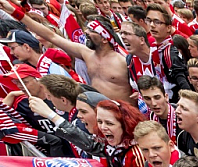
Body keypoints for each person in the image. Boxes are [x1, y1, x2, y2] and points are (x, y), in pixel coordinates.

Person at [0, 1, 132, 103]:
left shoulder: (123, 61)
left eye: (92, 31)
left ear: (104, 39)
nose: (86, 33)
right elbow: (51, 36)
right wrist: (14, 11)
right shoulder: (86, 53)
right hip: (100, 115)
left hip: (125, 115)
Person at [0, 29, 71, 77]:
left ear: (26, 47)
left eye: (13, 48)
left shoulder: (51, 69)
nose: (11, 53)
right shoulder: (42, 66)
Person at [138, 76, 179, 142]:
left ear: (166, 97)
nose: (153, 103)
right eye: (147, 98)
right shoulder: (150, 119)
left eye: (157, 97)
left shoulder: (182, 116)